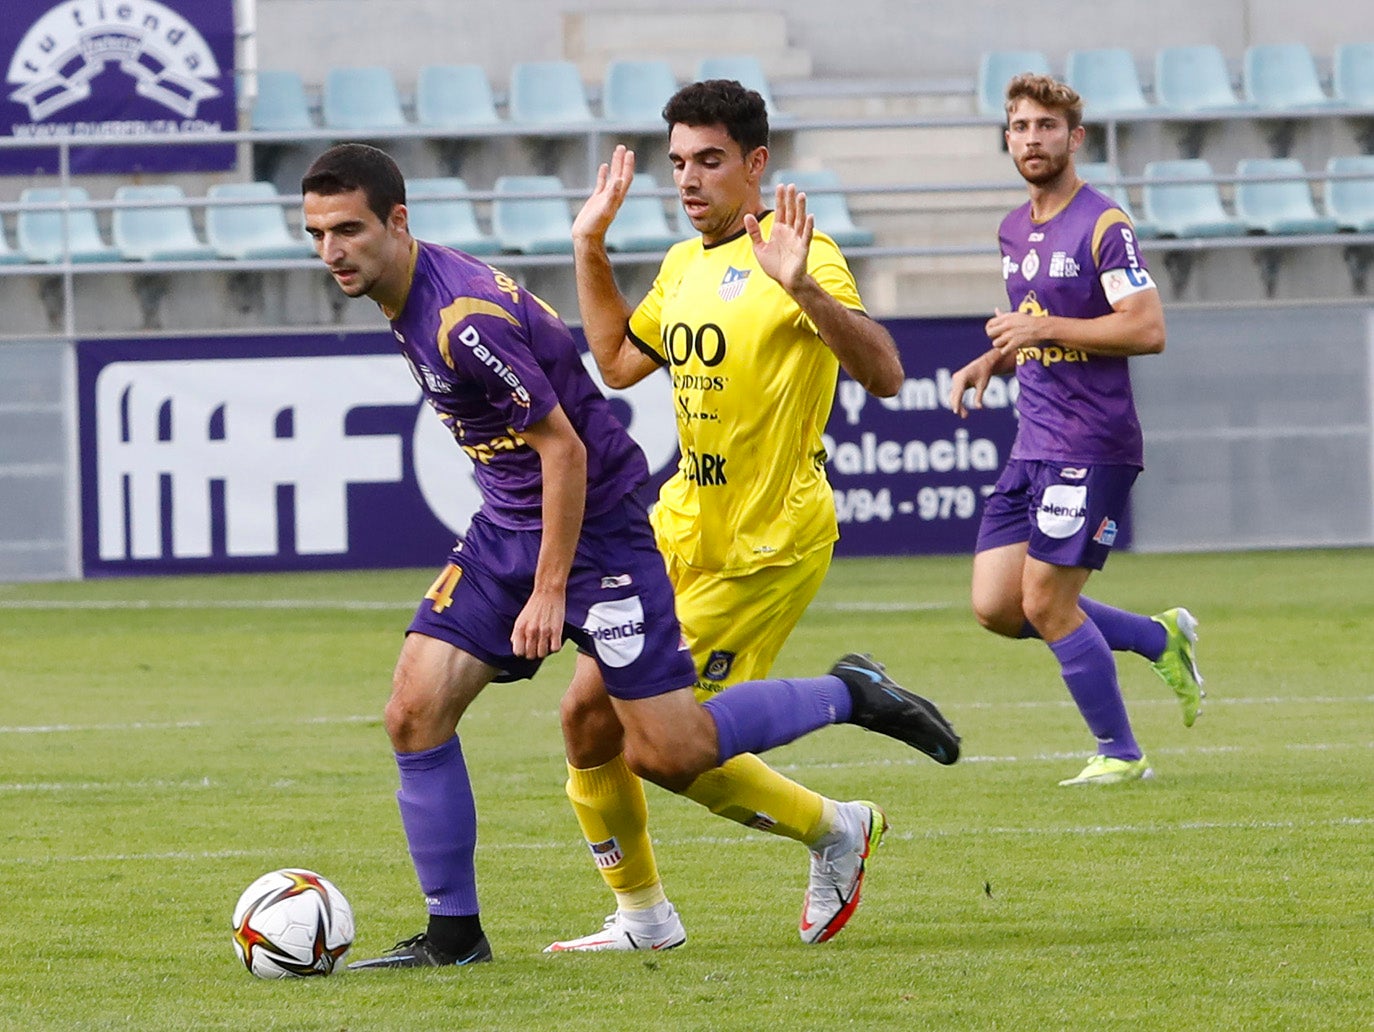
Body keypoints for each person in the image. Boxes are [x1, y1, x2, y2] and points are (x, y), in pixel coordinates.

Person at [299, 142, 962, 968]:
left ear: (398, 222)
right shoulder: (409, 290)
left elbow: (567, 452)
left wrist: (547, 593)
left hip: (598, 530)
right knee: (414, 712)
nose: (332, 251)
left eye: (349, 230)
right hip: (509, 525)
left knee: (671, 749)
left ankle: (847, 694)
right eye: (318, 233)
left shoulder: (461, 321)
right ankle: (455, 938)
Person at [545, 79, 950, 955]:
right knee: (587, 719)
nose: (688, 180)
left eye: (710, 161)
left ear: (756, 164)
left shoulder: (801, 257)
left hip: (764, 545)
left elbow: (884, 373)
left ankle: (839, 812)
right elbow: (616, 361)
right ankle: (645, 922)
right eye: (678, 163)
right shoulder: (685, 265)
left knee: (665, 749)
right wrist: (589, 245)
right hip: (680, 531)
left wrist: (805, 289)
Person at [947, 73, 1204, 787]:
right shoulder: (1011, 229)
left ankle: (1122, 754)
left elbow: (1147, 329)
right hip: (1034, 440)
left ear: (1074, 137)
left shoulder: (1102, 224)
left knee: (1045, 603)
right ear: (1008, 138)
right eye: (1021, 126)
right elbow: (1034, 326)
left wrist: (1040, 328)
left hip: (1092, 443)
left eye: (1047, 127)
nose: (1033, 138)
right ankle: (1157, 638)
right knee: (998, 607)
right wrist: (993, 359)